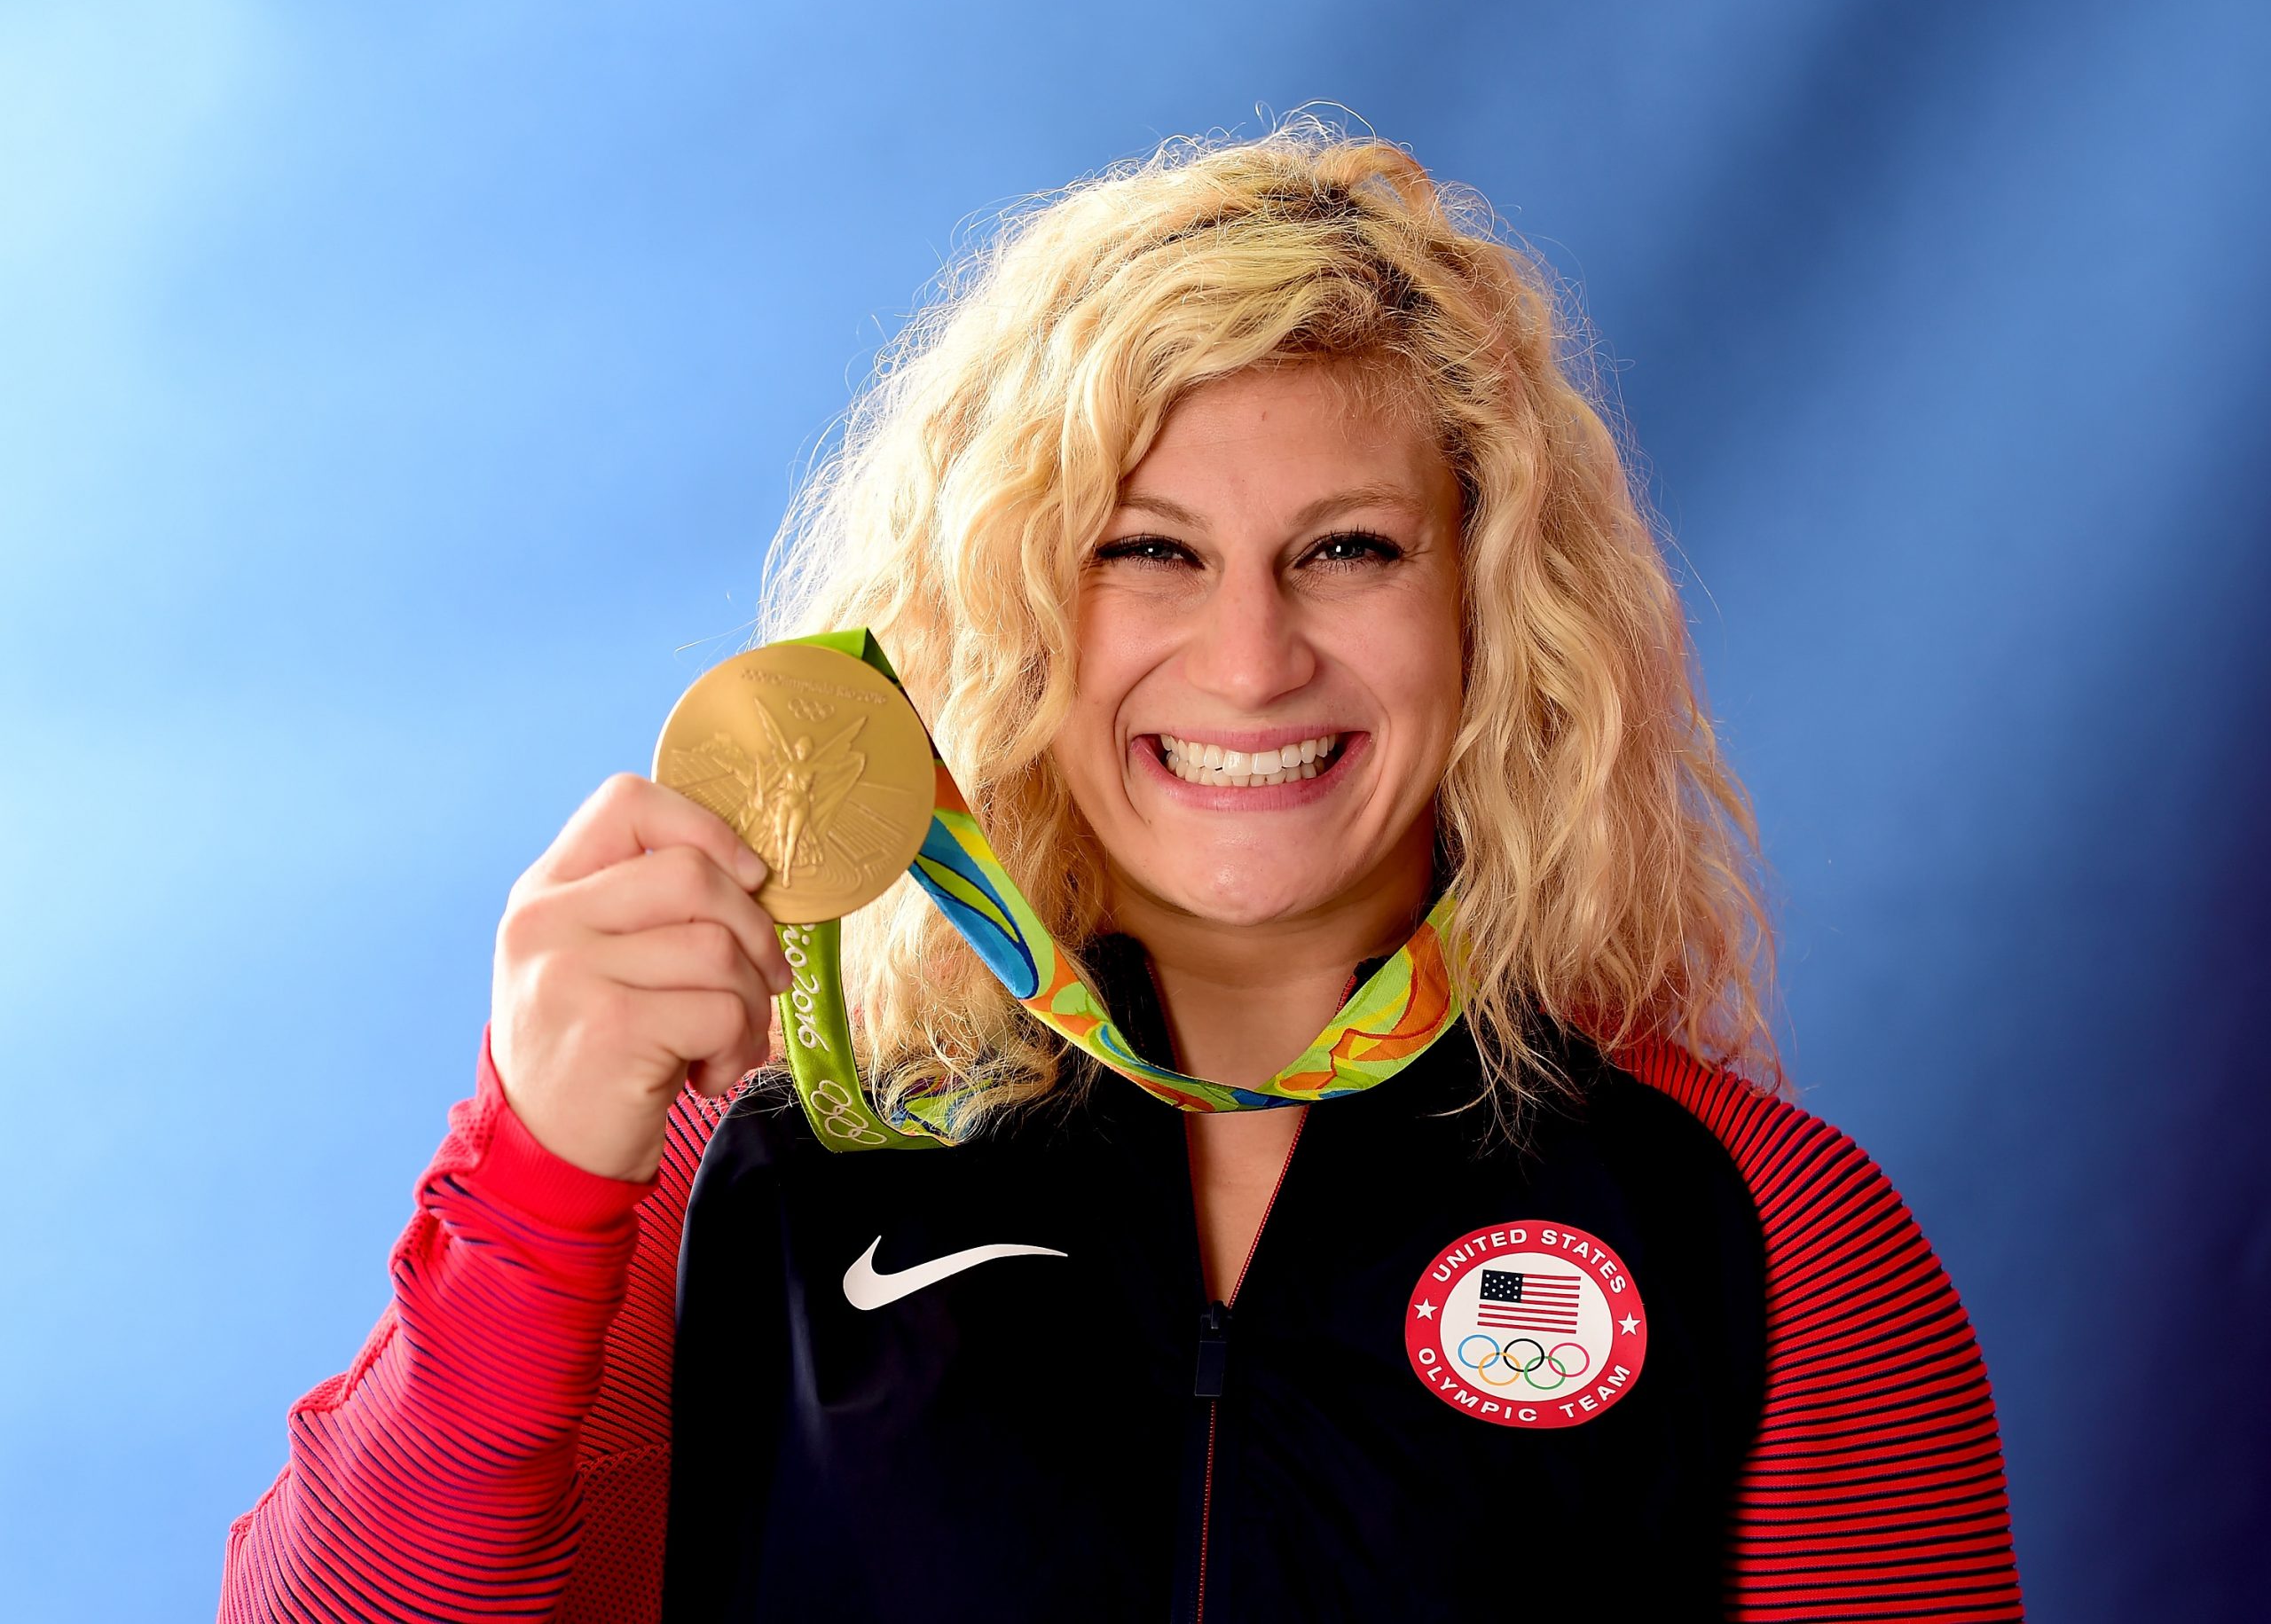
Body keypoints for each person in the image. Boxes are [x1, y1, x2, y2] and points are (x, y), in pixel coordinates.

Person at [218, 123, 2023, 1622]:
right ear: (1010, 618)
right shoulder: (743, 1188)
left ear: (1493, 621)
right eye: (1147, 551)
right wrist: (536, 1177)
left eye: (1346, 552)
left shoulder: (1762, 1235)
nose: (1249, 663)